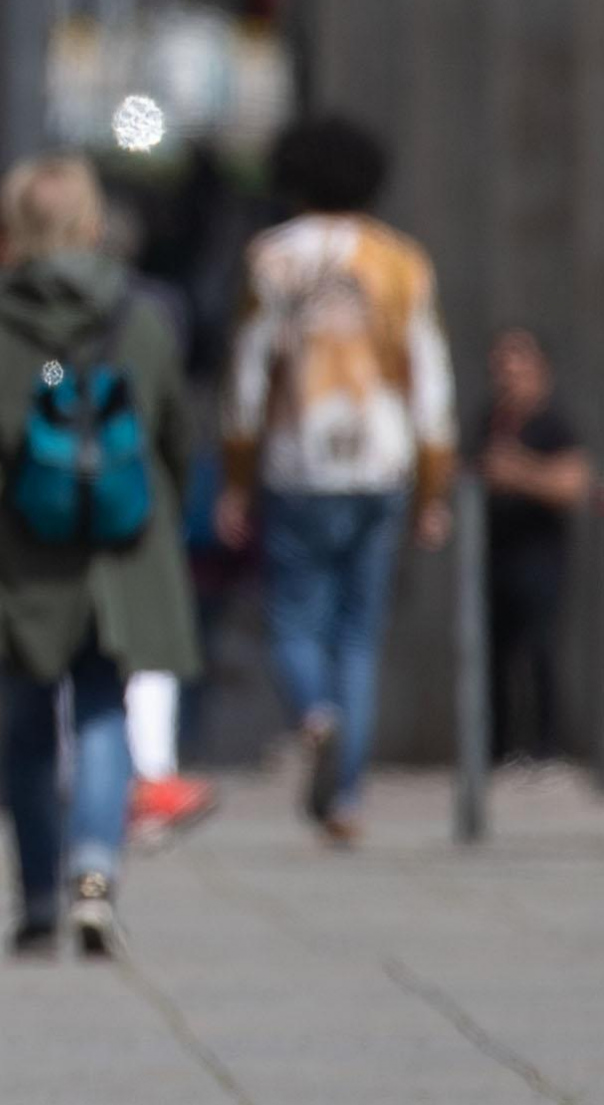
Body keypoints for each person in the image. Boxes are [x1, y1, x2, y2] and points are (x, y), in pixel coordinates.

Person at [0, 155, 196, 957]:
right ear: (93, 224)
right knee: (101, 711)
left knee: (24, 723)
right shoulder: (142, 313)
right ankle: (95, 875)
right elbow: (172, 432)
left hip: (28, 545)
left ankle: (35, 900)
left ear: (15, 228)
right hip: (120, 547)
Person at [216, 117, 457, 843]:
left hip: (299, 458)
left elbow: (248, 377)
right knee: (360, 629)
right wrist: (434, 484)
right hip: (381, 458)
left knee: (294, 615)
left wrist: (235, 476)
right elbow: (431, 380)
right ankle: (346, 793)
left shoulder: (271, 258)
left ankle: (313, 715)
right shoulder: (401, 261)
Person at [476, 328, 589, 763]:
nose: (508, 375)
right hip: (494, 560)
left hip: (539, 560)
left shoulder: (553, 424)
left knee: (540, 652)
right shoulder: (490, 421)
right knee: (493, 660)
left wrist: (518, 473)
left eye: (517, 364)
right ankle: (497, 752)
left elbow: (573, 484)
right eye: (501, 366)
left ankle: (545, 750)